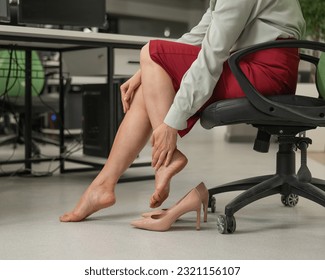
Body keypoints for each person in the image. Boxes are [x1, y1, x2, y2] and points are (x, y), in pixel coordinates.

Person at [59, 0, 306, 225]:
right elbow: (197, 37)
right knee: (150, 70)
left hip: (266, 72)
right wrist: (146, 70)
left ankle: (154, 166)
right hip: (252, 65)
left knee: (151, 53)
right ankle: (104, 185)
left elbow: (212, 55)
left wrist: (170, 125)